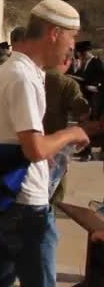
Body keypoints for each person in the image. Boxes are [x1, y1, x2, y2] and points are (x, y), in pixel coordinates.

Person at [0, 0, 90, 287]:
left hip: (13, 197)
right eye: (71, 36)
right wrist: (73, 134)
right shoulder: (22, 76)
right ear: (54, 32)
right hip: (27, 205)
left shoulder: (22, 70)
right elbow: (34, 148)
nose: (72, 46)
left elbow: (15, 140)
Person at [43, 49, 90, 202]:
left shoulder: (32, 76)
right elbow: (82, 112)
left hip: (27, 141)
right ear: (66, 61)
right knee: (55, 191)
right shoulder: (67, 84)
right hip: (56, 144)